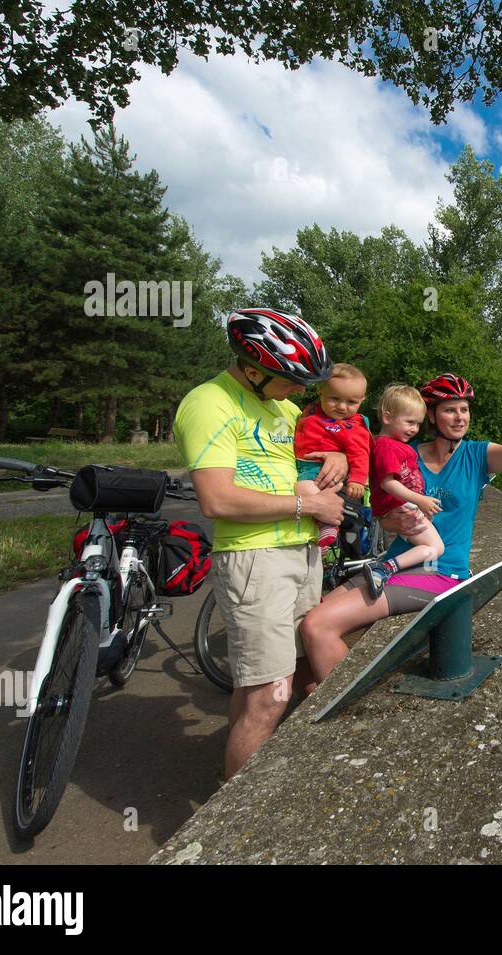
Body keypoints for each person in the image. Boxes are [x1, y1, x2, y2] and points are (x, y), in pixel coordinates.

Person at [299, 372, 502, 683]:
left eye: (464, 410)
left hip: (442, 574)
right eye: (450, 410)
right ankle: (325, 689)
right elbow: (382, 511)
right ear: (432, 416)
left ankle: (340, 708)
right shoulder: (404, 453)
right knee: (318, 612)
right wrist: (391, 519)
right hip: (395, 564)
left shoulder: (477, 456)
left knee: (318, 626)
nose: (459, 417)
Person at [175, 307, 347, 779]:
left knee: (268, 685)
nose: (301, 392)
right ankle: (234, 836)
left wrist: (334, 456)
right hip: (255, 558)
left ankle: (236, 795)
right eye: (291, 381)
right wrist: (307, 508)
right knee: (269, 696)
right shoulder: (210, 403)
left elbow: (298, 460)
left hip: (301, 553)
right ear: (252, 370)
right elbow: (216, 499)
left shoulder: (282, 407)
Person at [361, 384, 444, 598]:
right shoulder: (386, 446)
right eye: (409, 422)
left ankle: (388, 566)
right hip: (399, 507)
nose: (414, 429)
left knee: (427, 544)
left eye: (417, 424)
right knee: (436, 548)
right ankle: (384, 568)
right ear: (388, 418)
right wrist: (421, 500)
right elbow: (388, 484)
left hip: (401, 508)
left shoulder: (397, 445)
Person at [293, 363, 373, 549]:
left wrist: (358, 480)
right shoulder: (312, 412)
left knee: (303, 489)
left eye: (351, 402)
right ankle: (322, 541)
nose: (342, 407)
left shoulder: (353, 427)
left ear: (362, 400)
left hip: (320, 472)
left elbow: (361, 453)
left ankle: (328, 524)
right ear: (321, 393)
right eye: (334, 399)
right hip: (304, 466)